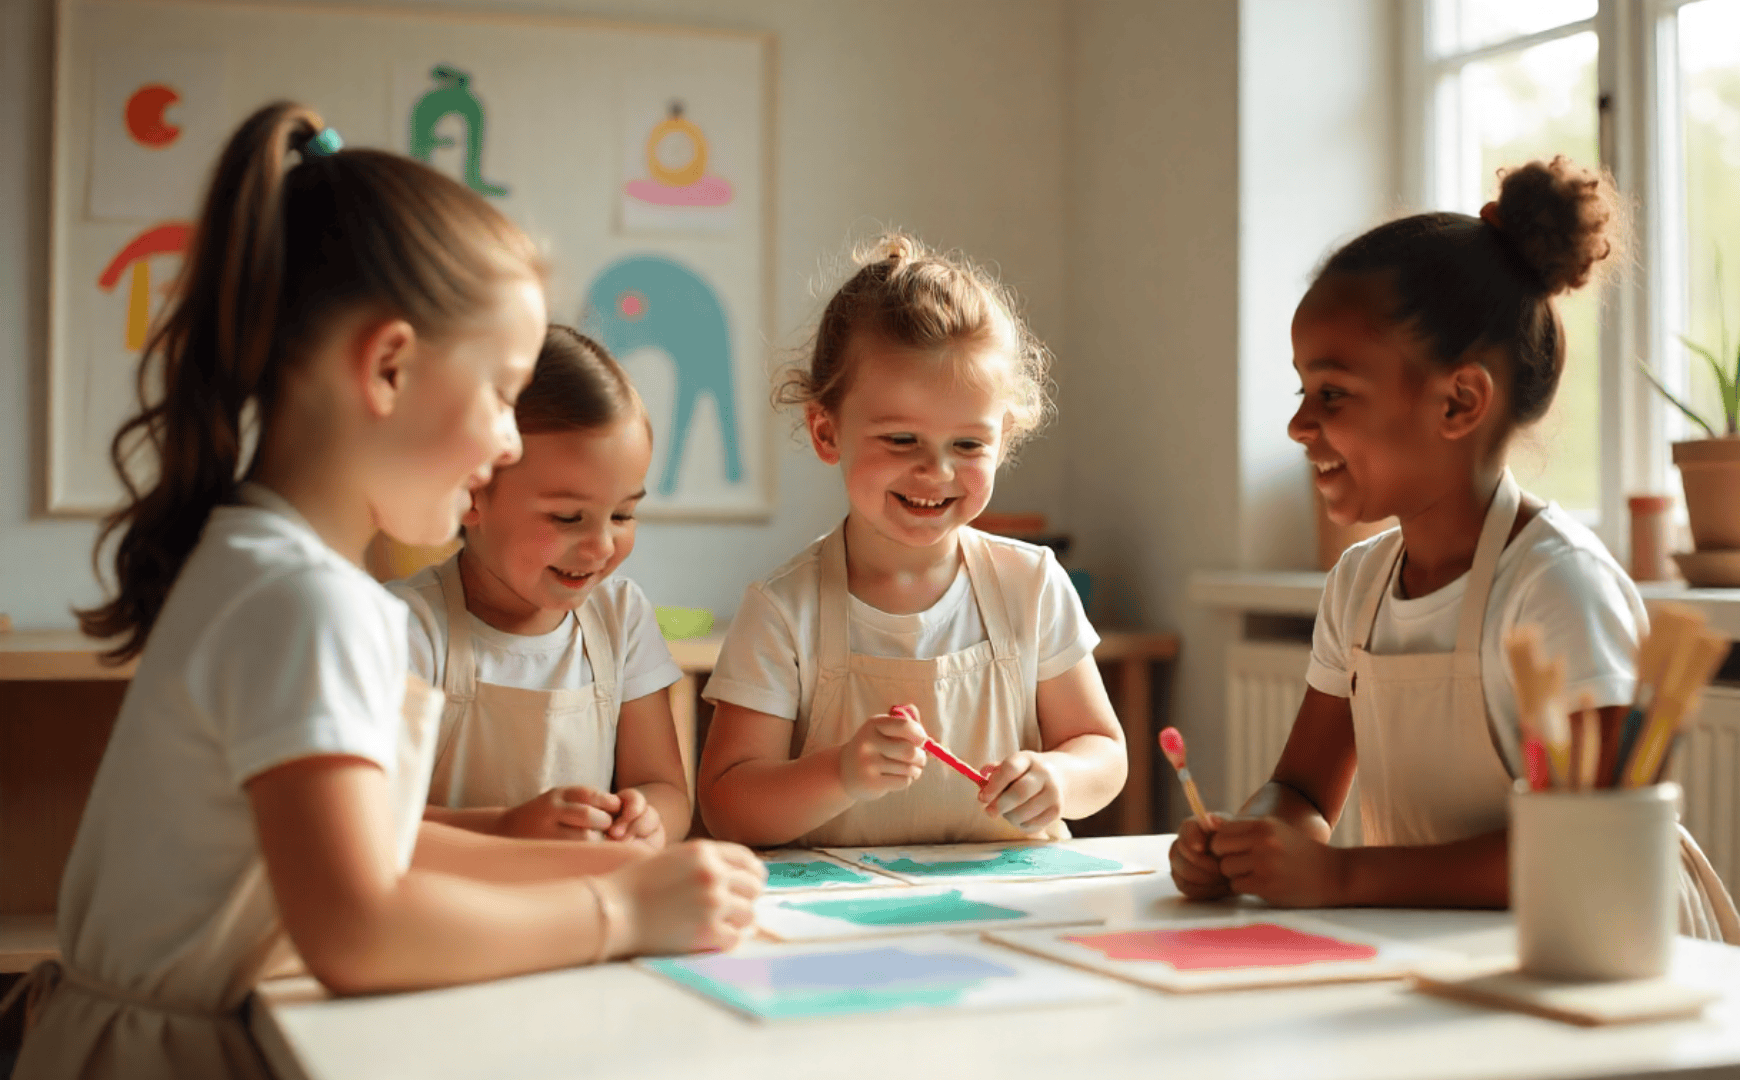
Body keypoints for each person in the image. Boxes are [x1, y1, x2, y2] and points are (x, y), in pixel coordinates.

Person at [10, 102, 762, 1080]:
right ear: (390, 366)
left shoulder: (266, 566)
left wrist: (599, 859)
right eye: (500, 392)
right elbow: (359, 927)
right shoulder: (309, 604)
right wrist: (619, 912)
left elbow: (368, 850)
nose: (504, 441)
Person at [1169, 157, 1740, 943]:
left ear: (1459, 401)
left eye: (1332, 392)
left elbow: (1590, 846)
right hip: (1462, 948)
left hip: (1604, 954)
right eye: (1302, 391)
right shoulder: (1358, 585)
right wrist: (1249, 842)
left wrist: (1340, 876)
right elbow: (1302, 788)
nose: (1301, 426)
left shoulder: (1556, 586)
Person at [698, 235, 1126, 848]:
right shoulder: (781, 611)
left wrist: (1061, 775)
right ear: (826, 430)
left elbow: (1104, 752)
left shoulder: (1030, 585)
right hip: (842, 916)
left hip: (1008, 912)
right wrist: (841, 773)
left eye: (969, 445)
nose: (936, 473)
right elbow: (727, 807)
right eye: (901, 440)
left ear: (1003, 438)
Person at [391, 325, 689, 848]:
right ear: (473, 494)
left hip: (576, 907)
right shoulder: (407, 627)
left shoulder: (622, 618)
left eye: (623, 514)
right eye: (568, 517)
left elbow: (664, 788)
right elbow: (371, 827)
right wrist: (503, 831)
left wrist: (649, 820)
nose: (600, 546)